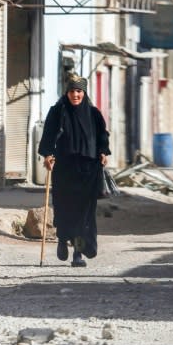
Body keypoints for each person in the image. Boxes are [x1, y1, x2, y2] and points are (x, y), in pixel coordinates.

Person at [37, 72, 111, 267]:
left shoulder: (94, 114)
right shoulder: (57, 111)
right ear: (66, 93)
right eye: (71, 91)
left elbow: (102, 136)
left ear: (84, 93)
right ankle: (62, 240)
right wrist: (47, 155)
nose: (75, 95)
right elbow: (48, 136)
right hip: (64, 168)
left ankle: (78, 253)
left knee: (84, 213)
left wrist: (103, 152)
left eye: (79, 91)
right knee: (64, 208)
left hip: (88, 170)